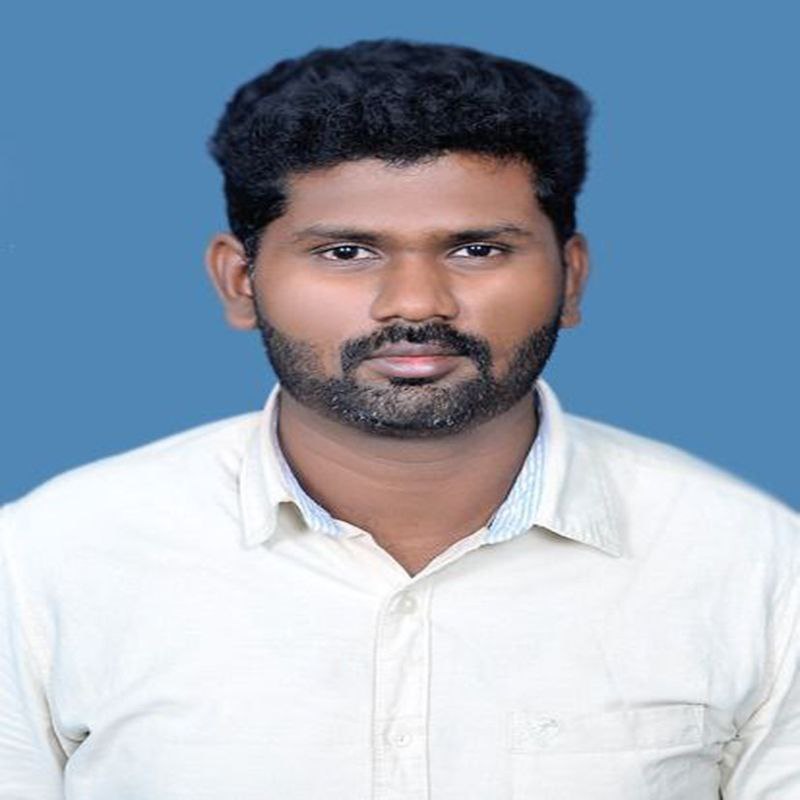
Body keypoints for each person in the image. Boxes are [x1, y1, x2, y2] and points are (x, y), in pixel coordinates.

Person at [0, 39, 797, 799]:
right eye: (347, 252)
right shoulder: (45, 564)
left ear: (572, 277)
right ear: (240, 282)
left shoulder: (754, 566)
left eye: (477, 250)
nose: (416, 304)